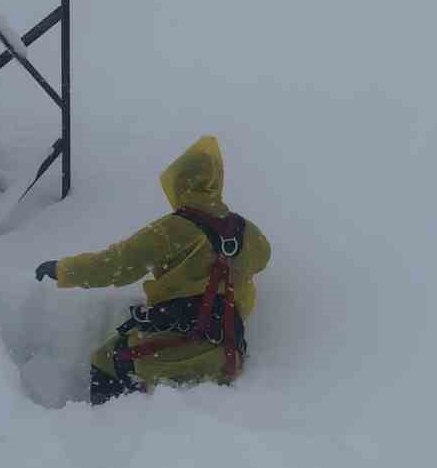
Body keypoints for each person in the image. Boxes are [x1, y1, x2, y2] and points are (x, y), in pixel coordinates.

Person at [35, 136, 272, 404]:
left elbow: (116, 265)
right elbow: (263, 258)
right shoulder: (246, 231)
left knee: (107, 359)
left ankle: (103, 433)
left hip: (179, 346)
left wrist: (64, 270)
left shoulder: (172, 229)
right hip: (228, 352)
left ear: (180, 183)